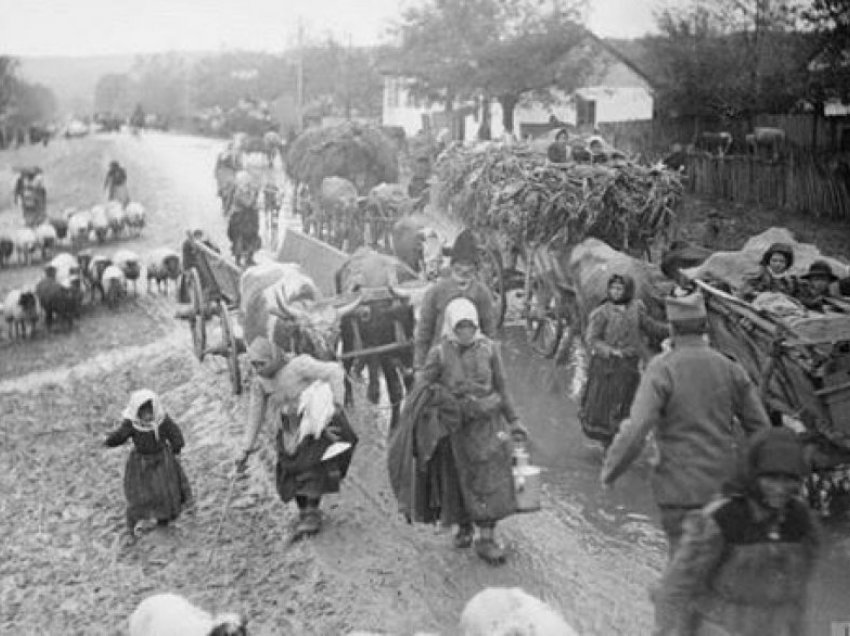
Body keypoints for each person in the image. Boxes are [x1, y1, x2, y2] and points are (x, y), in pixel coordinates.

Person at [601, 291, 770, 557]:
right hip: (725, 490)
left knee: (683, 571)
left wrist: (611, 471)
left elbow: (637, 430)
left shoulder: (662, 368)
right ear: (705, 326)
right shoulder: (730, 367)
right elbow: (760, 428)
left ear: (672, 328)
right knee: (721, 565)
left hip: (679, 492)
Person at [653, 427, 821, 636]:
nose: (780, 488)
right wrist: (664, 630)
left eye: (789, 479)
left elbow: (800, 592)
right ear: (753, 476)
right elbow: (679, 584)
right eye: (771, 478)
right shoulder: (721, 519)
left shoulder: (801, 520)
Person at [399, 298, 528, 564]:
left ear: (476, 325)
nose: (466, 332)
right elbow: (423, 385)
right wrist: (436, 397)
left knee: (489, 480)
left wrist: (514, 420)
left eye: (470, 326)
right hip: (455, 430)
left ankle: (487, 538)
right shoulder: (439, 353)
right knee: (457, 481)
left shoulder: (490, 349)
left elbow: (502, 387)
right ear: (451, 326)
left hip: (487, 426)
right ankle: (464, 526)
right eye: (460, 327)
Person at [236, 337, 358, 539]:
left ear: (273, 357)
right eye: (254, 365)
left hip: (315, 423)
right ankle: (304, 511)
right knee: (290, 469)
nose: (258, 369)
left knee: (313, 467)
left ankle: (312, 512)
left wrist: (337, 403)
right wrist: (245, 448)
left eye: (262, 363)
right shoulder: (260, 383)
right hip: (289, 428)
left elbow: (335, 371)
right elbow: (255, 414)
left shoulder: (299, 366)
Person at [581, 274, 668, 446]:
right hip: (606, 367)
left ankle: (621, 438)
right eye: (612, 288)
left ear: (627, 290)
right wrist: (611, 351)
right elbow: (591, 339)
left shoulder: (637, 308)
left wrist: (673, 329)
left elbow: (650, 326)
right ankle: (607, 444)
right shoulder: (601, 313)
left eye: (619, 289)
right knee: (604, 406)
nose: (615, 292)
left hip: (628, 365)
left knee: (626, 401)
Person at [104, 390, 193, 545]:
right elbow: (121, 435)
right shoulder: (132, 424)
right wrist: (109, 441)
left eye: (150, 411)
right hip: (141, 463)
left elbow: (174, 433)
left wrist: (177, 448)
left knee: (164, 491)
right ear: (137, 412)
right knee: (139, 493)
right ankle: (134, 523)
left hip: (162, 461)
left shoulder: (162, 421)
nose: (147, 416)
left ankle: (163, 521)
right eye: (143, 412)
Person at [413, 229, 495, 380]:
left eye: (469, 267)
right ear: (452, 267)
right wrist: (419, 367)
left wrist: (493, 365)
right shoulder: (436, 292)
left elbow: (489, 332)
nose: (464, 270)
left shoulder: (482, 293)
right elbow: (424, 332)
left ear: (475, 268)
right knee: (420, 401)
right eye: (459, 267)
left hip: (474, 366)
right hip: (440, 363)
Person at [226, 172, 261, 266]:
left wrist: (254, 195)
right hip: (240, 219)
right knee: (239, 239)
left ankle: (249, 258)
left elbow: (254, 204)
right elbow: (247, 203)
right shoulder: (239, 192)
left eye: (250, 184)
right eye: (247, 184)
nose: (249, 186)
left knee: (252, 238)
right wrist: (253, 196)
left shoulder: (250, 191)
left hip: (250, 220)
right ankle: (238, 260)